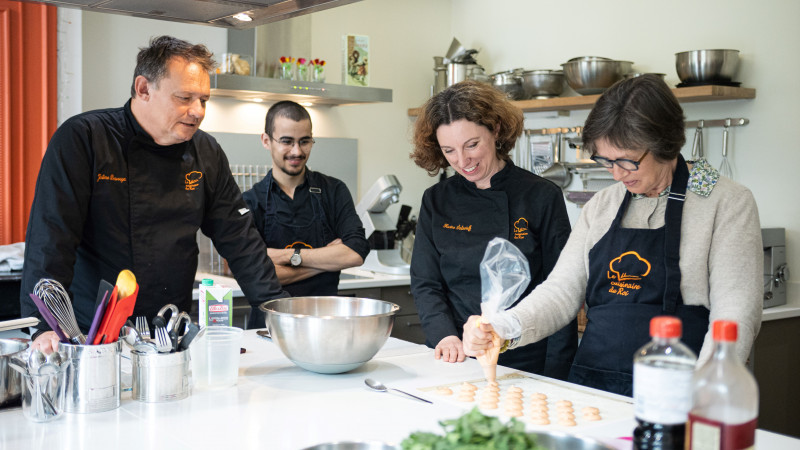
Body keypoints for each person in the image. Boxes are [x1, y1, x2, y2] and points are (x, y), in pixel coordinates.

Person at [462, 74, 763, 396]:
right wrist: (503, 327)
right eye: (606, 161)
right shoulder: (603, 204)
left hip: (684, 389)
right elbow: (561, 291)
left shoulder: (725, 202)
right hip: (595, 383)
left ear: (664, 145)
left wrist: (708, 389)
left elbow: (734, 315)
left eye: (627, 161)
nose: (617, 174)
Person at [20, 36, 288, 352]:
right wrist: (42, 326)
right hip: (93, 340)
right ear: (143, 88)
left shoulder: (206, 151)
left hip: (170, 333)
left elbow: (240, 239)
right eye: (185, 97)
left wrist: (279, 313)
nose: (197, 111)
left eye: (204, 99)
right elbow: (51, 238)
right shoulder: (85, 139)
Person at [409, 80, 578, 380]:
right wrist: (444, 336)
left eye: (471, 145)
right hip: (455, 354)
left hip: (525, 358)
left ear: (496, 129)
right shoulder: (437, 199)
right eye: (449, 150)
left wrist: (557, 372)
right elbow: (426, 282)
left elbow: (562, 289)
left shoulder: (541, 196)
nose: (463, 161)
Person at [242, 101, 369, 305]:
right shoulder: (251, 201)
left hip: (325, 319)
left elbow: (356, 252)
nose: (297, 151)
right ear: (266, 141)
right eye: (287, 141)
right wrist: (327, 262)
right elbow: (253, 272)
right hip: (270, 325)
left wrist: (287, 256)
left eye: (304, 141)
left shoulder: (333, 191)